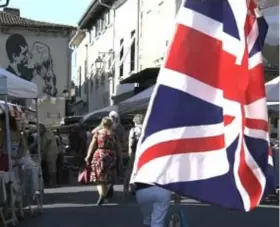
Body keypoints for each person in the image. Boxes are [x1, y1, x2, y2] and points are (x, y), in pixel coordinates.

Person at [85, 117, 122, 205]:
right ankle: (104, 194)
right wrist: (120, 158)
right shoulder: (113, 134)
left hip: (99, 154)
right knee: (109, 177)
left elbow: (92, 145)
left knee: (98, 177)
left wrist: (88, 156)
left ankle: (101, 194)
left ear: (102, 123)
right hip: (111, 155)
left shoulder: (98, 133)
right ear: (111, 124)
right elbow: (118, 147)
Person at [124, 114, 144, 197]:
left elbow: (131, 143)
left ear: (135, 121)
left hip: (135, 152)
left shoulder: (133, 130)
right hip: (144, 151)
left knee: (130, 169)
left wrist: (130, 153)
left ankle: (128, 187)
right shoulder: (146, 128)